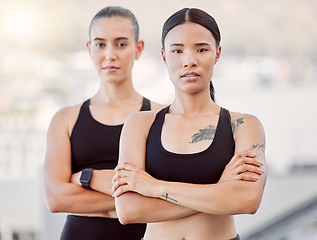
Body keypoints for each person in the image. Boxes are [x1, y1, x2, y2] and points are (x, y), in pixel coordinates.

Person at [111, 8, 267, 240]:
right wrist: (220, 191)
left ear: (217, 53)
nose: (189, 61)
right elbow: (129, 210)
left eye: (202, 49)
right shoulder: (139, 125)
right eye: (177, 51)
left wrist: (154, 188)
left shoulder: (243, 126)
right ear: (164, 56)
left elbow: (246, 200)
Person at [43, 6, 163, 240]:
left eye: (120, 44)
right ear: (89, 49)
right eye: (100, 44)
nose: (110, 54)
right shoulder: (65, 119)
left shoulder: (162, 116)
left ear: (138, 49)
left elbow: (172, 189)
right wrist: (134, 199)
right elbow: (56, 198)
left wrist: (88, 179)